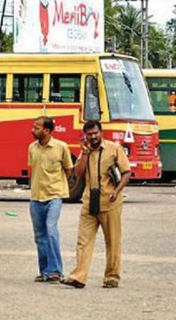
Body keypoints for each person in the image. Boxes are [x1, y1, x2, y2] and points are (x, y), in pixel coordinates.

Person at [62, 121, 131, 289]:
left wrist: (117, 191)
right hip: (89, 201)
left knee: (112, 241)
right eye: (89, 134)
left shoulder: (114, 149)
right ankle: (79, 276)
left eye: (95, 133)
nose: (93, 137)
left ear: (101, 132)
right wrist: (84, 154)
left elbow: (126, 172)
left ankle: (111, 277)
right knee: (83, 241)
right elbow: (77, 174)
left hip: (110, 201)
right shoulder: (86, 151)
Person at [28, 116, 74, 283]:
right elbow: (33, 170)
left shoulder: (61, 147)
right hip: (36, 198)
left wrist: (59, 187)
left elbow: (69, 170)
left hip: (54, 196)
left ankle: (55, 270)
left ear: (47, 130)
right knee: (39, 235)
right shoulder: (32, 148)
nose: (33, 130)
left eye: (37, 127)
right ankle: (45, 271)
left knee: (51, 230)